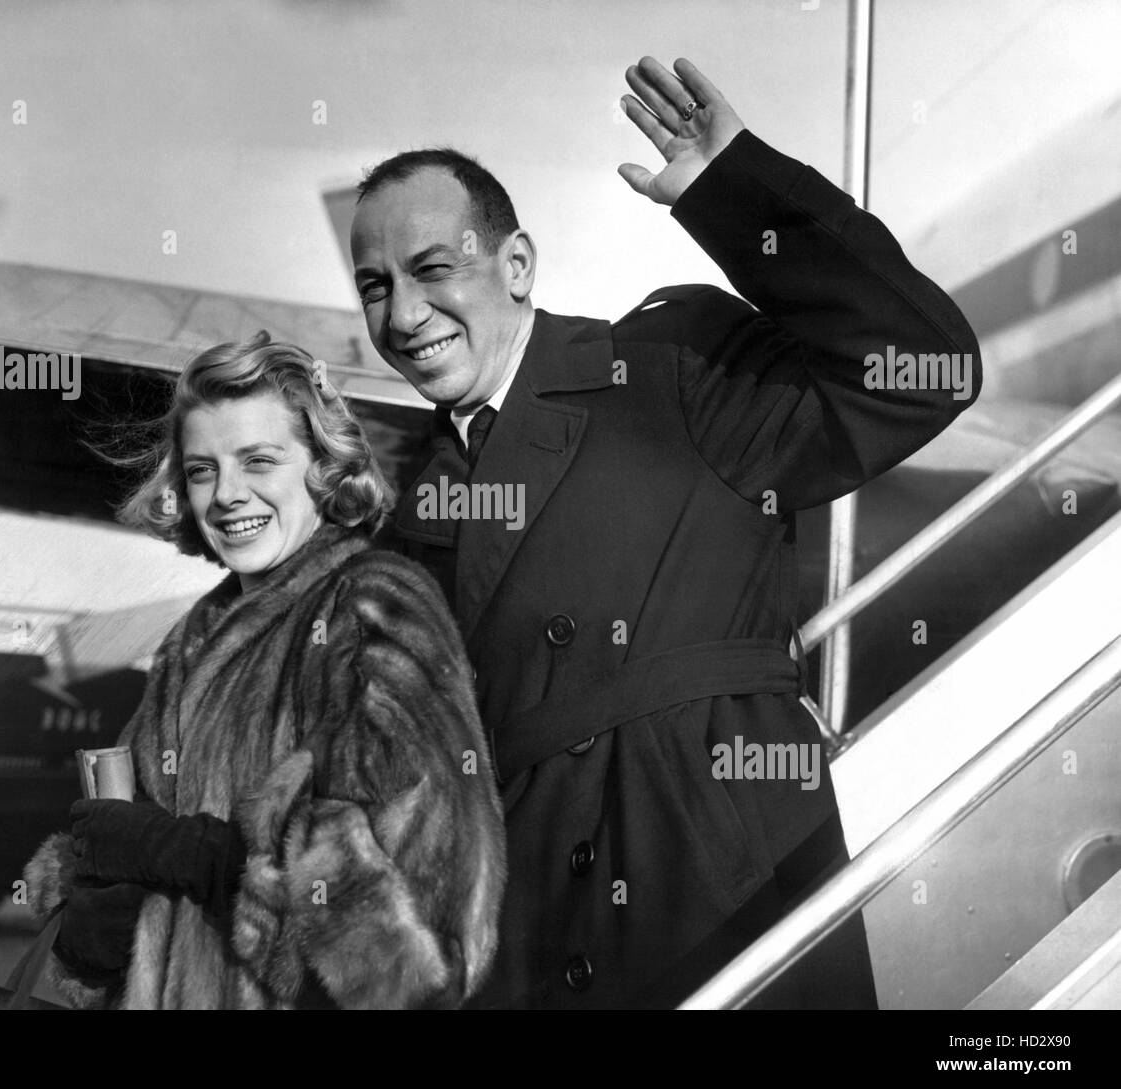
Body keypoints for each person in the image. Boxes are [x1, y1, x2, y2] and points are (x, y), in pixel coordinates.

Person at [350, 56, 983, 1009]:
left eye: (435, 269)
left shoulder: (664, 367)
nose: (402, 315)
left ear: (517, 264)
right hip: (531, 952)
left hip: (722, 901)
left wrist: (738, 195)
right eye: (374, 286)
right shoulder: (405, 526)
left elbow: (924, 369)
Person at [23, 334, 505, 1009]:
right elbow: (126, 892)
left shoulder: (375, 608)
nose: (226, 495)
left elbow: (411, 955)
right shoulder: (193, 639)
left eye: (258, 460)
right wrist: (89, 919)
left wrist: (194, 858)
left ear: (322, 466)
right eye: (200, 470)